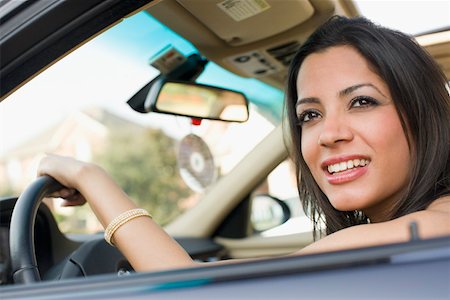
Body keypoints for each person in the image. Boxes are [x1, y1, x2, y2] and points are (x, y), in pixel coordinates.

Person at [37, 16, 450, 272]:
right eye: (310, 114)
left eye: (361, 102)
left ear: (422, 113)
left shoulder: (435, 227)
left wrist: (88, 176)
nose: (329, 133)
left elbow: (194, 293)